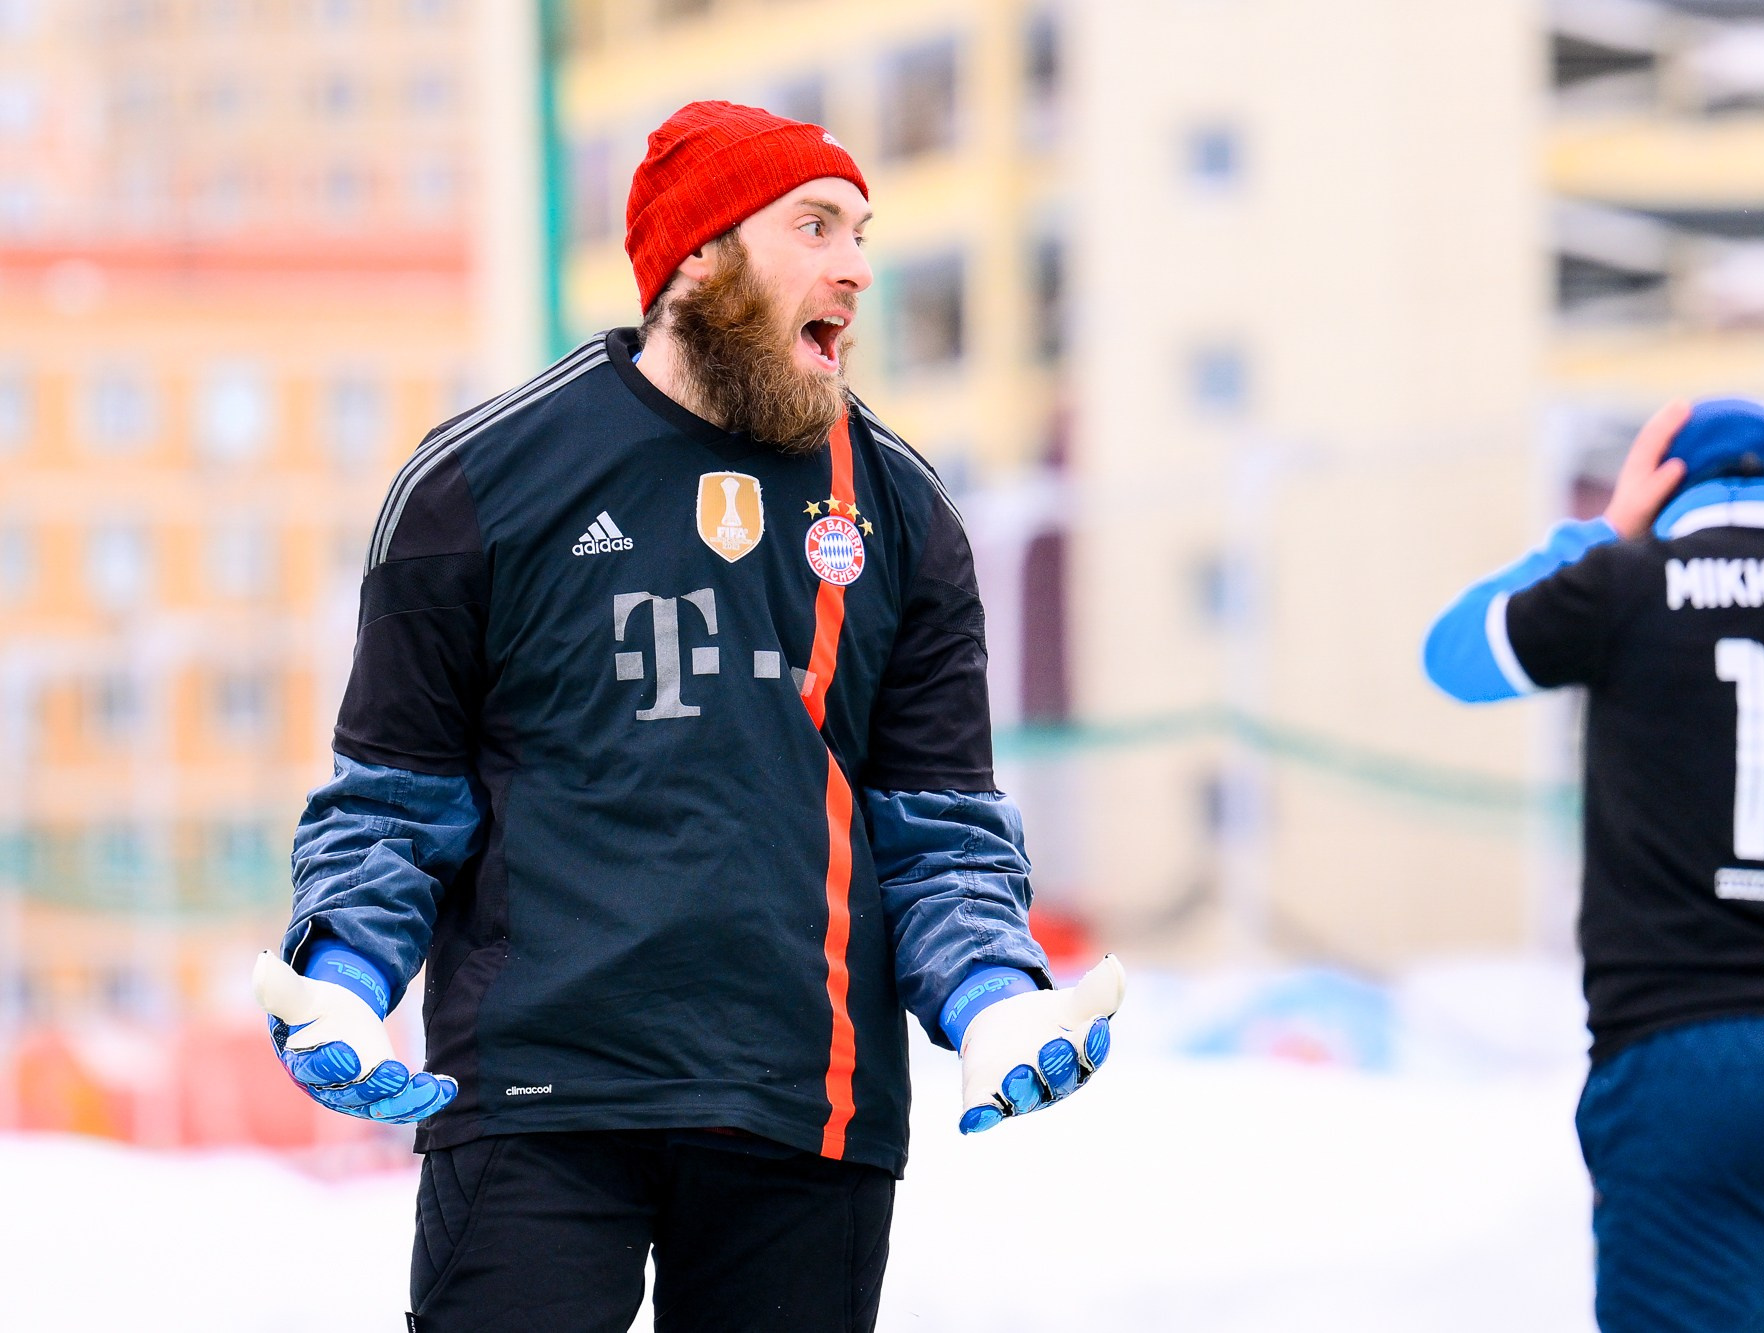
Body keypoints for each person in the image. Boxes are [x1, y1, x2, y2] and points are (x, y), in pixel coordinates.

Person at [251, 100, 1124, 1332]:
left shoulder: (905, 513)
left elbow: (937, 829)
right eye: (815, 225)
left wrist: (992, 991)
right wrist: (341, 972)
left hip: (803, 1112)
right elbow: (395, 805)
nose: (857, 267)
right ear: (699, 259)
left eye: (862, 232)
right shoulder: (476, 481)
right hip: (537, 1100)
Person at [1423, 397, 1764, 1332]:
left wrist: (1603, 530)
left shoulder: (1624, 585)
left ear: (1664, 482)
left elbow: (1453, 655)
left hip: (1691, 1048)